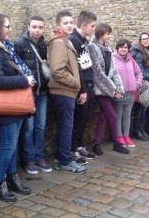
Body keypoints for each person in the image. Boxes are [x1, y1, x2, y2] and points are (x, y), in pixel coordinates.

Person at [0, 12, 33, 202]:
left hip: (14, 105)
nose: (10, 30)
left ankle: (11, 178)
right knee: (7, 145)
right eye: (7, 26)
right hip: (5, 106)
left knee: (11, 145)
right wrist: (24, 80)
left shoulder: (3, 49)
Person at [47, 10, 87, 174]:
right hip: (63, 90)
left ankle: (62, 157)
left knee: (66, 125)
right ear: (58, 25)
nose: (70, 25)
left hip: (66, 91)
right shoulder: (59, 42)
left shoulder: (65, 40)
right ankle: (64, 160)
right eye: (66, 23)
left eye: (71, 22)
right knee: (66, 126)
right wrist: (76, 83)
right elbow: (57, 70)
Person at [14, 15, 52, 174]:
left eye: (40, 27)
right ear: (28, 27)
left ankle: (39, 157)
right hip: (27, 94)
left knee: (40, 126)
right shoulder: (19, 44)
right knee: (28, 128)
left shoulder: (44, 45)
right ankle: (29, 160)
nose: (37, 30)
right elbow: (15, 68)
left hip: (42, 92)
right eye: (34, 27)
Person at [89, 23, 129, 154]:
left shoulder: (107, 49)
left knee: (104, 117)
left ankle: (96, 143)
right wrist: (111, 90)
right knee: (112, 116)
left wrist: (118, 89)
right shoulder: (93, 47)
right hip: (100, 89)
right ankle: (117, 143)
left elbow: (114, 71)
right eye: (108, 34)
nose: (109, 36)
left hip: (108, 89)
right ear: (101, 34)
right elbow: (98, 72)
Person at [69, 10, 97, 163]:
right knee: (77, 120)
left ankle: (79, 145)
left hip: (89, 85)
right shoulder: (74, 40)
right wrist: (82, 89)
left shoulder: (83, 40)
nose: (94, 29)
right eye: (92, 26)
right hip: (82, 87)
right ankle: (73, 149)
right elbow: (76, 68)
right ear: (83, 25)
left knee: (84, 119)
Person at [113, 39, 143, 148]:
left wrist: (137, 84)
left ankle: (126, 136)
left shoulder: (131, 60)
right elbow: (110, 75)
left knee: (127, 116)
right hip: (119, 94)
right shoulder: (113, 59)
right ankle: (119, 136)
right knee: (118, 116)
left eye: (125, 47)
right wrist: (115, 89)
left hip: (131, 93)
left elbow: (139, 73)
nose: (123, 49)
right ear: (117, 48)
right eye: (121, 47)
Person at [131, 32, 149, 140]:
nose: (145, 41)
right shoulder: (139, 54)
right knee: (139, 109)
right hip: (141, 84)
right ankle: (137, 131)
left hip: (146, 83)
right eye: (143, 39)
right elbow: (139, 72)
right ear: (140, 41)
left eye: (147, 39)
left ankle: (141, 129)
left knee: (142, 108)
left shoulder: (148, 53)